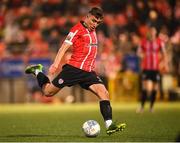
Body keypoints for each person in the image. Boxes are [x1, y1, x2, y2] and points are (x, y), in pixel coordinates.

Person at [25, 7, 126, 135]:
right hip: (74, 69)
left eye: (98, 22)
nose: (95, 24)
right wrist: (55, 64)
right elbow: (64, 47)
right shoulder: (76, 29)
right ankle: (38, 71)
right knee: (47, 92)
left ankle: (109, 125)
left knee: (104, 93)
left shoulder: (93, 31)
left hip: (89, 72)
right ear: (88, 16)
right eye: (94, 21)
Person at [136, 26, 168, 113]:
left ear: (155, 33)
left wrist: (164, 63)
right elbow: (138, 52)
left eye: (154, 32)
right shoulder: (143, 41)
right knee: (145, 88)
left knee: (154, 88)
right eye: (151, 32)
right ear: (149, 33)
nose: (152, 34)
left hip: (156, 68)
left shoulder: (159, 42)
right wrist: (141, 55)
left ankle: (151, 107)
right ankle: (142, 107)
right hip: (146, 68)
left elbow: (164, 53)